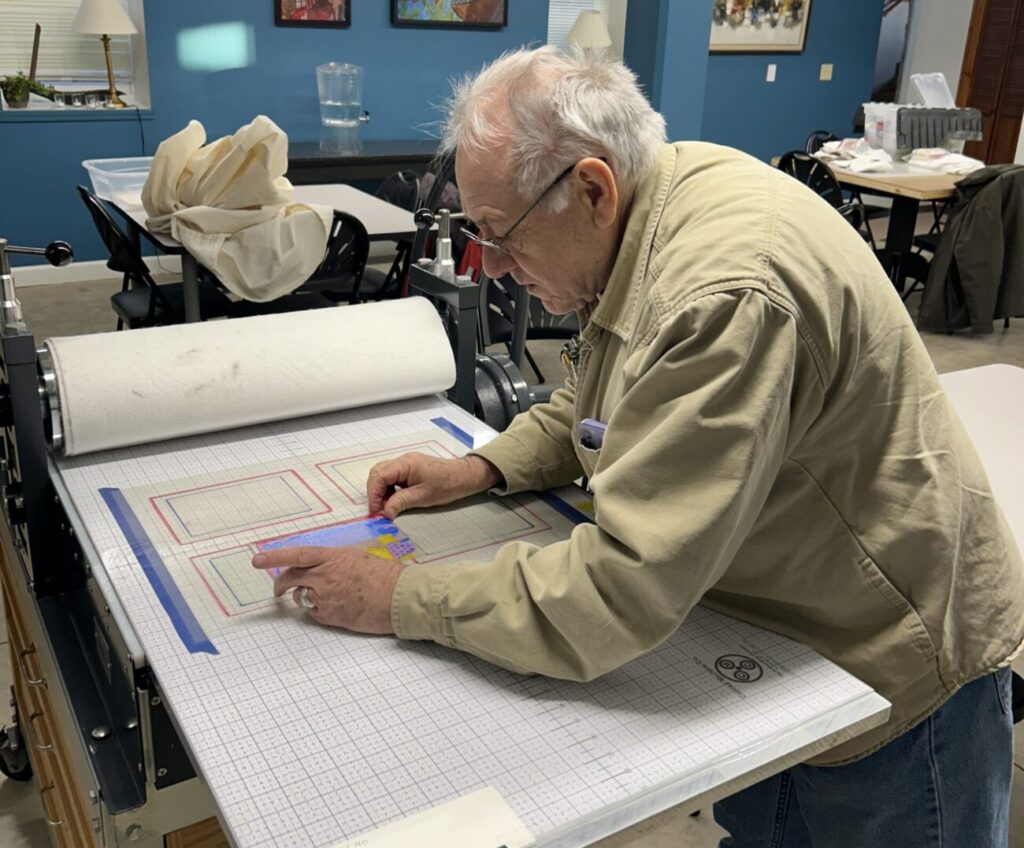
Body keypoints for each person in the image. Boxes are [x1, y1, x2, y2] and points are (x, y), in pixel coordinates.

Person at [253, 47, 1024, 846]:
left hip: (889, 657)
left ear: (590, 187)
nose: (494, 269)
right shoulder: (646, 204)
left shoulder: (721, 294)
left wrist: (398, 598)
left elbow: (620, 590)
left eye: (502, 238)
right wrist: (482, 466)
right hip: (780, 634)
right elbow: (607, 400)